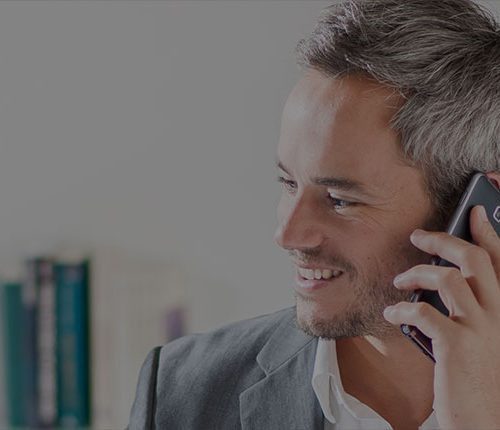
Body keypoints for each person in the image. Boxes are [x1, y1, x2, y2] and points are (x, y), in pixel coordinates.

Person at [127, 0, 500, 428]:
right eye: (289, 183)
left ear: (477, 210)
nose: (287, 235)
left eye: (340, 200)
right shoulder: (183, 391)